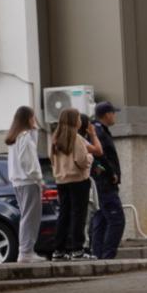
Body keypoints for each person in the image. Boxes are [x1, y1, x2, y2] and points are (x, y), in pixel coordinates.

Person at [49, 107, 94, 261]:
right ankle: (77, 249)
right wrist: (90, 158)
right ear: (75, 121)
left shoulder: (55, 138)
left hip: (61, 181)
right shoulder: (76, 138)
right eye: (78, 118)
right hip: (78, 180)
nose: (81, 120)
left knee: (64, 214)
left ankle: (59, 250)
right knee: (78, 214)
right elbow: (82, 160)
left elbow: (52, 160)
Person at [4, 105, 43, 262]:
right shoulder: (24, 137)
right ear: (28, 119)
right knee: (30, 217)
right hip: (28, 181)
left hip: (18, 182)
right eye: (33, 117)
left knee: (27, 216)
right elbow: (29, 161)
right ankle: (26, 252)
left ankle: (26, 251)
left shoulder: (16, 137)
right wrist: (39, 178)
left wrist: (34, 128)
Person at [87, 102, 125, 259]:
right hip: (105, 185)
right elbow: (98, 158)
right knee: (117, 220)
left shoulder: (99, 130)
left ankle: (98, 256)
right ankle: (107, 257)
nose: (115, 116)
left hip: (103, 184)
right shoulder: (98, 132)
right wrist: (109, 174)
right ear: (107, 114)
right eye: (113, 113)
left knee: (101, 221)